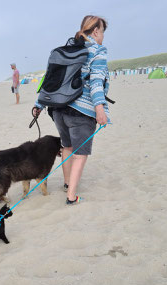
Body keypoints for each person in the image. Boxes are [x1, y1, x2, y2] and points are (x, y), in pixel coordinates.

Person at [33, 15, 110, 205]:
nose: (102, 37)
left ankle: (67, 184)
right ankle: (72, 196)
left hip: (58, 109)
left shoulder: (67, 49)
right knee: (80, 153)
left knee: (67, 147)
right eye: (102, 33)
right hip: (81, 111)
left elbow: (50, 79)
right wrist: (100, 109)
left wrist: (39, 104)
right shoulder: (98, 51)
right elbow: (96, 83)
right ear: (95, 31)